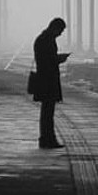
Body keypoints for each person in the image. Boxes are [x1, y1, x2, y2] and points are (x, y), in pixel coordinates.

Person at [31, 17, 69, 148]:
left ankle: (47, 138)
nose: (61, 33)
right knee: (48, 112)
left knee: (47, 111)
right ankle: (48, 139)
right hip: (47, 80)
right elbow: (48, 60)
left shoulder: (42, 39)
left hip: (45, 78)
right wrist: (60, 59)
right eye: (61, 30)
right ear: (55, 28)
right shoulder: (46, 40)